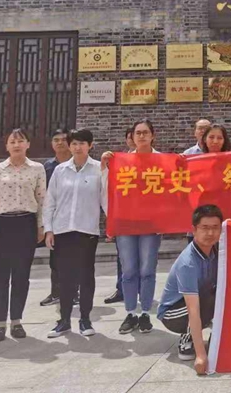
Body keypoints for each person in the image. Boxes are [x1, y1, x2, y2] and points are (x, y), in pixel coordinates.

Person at [0, 128, 46, 342]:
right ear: (7, 146)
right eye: (12, 141)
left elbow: (42, 199)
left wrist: (41, 226)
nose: (17, 145)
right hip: (2, 225)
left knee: (21, 275)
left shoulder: (37, 169)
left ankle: (17, 321)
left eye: (21, 141)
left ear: (28, 144)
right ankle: (0, 323)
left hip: (26, 224)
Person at [44, 129, 108, 337]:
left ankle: (85, 319)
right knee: (65, 277)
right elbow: (50, 201)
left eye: (82, 143)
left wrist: (113, 224)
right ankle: (64, 320)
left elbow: (106, 199)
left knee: (86, 275)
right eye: (74, 143)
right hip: (62, 230)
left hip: (86, 230)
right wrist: (48, 229)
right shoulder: (60, 170)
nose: (77, 147)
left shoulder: (99, 169)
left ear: (90, 145)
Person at [102, 119, 163, 334]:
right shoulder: (122, 162)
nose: (142, 136)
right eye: (138, 133)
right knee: (128, 271)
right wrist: (105, 167)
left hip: (151, 225)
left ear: (152, 136)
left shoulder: (162, 161)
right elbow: (109, 191)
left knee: (147, 270)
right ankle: (130, 313)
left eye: (146, 132)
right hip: (126, 224)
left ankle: (145, 313)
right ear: (132, 137)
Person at [158, 204, 223, 375]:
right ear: (194, 230)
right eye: (205, 228)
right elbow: (193, 309)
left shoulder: (217, 252)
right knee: (205, 300)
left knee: (224, 292)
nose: (210, 233)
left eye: (215, 228)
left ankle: (216, 334)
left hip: (197, 303)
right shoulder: (188, 262)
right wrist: (201, 355)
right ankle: (187, 339)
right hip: (172, 313)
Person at [39, 127, 72, 307]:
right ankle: (56, 293)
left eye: (63, 139)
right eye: (56, 140)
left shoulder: (77, 163)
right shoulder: (47, 166)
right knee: (55, 258)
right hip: (55, 217)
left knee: (76, 258)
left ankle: (74, 292)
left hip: (75, 216)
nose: (60, 143)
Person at [105, 128, 135, 305]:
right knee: (122, 256)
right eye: (129, 137)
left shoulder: (152, 160)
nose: (132, 140)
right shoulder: (120, 161)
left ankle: (140, 289)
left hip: (144, 216)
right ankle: (121, 288)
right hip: (124, 215)